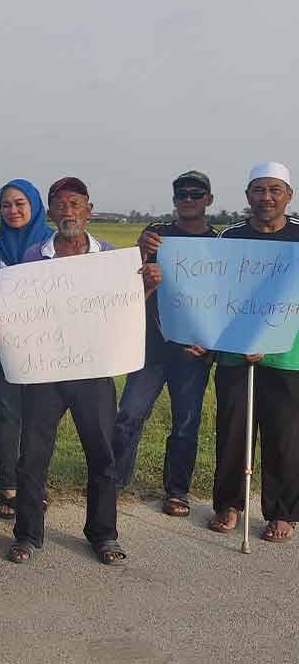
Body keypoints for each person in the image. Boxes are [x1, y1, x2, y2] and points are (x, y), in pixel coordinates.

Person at [0, 177, 161, 565]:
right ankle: (27, 534)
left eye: (76, 204)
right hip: (44, 372)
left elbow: (124, 308)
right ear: (52, 212)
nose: (68, 211)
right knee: (33, 455)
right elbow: (18, 310)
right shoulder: (34, 260)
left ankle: (103, 534)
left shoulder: (109, 258)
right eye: (61, 204)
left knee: (102, 454)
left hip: (93, 371)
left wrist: (148, 286)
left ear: (88, 209)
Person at [112, 171, 218, 517]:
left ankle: (177, 491)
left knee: (185, 423)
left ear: (209, 200)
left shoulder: (221, 244)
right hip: (152, 346)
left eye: (195, 194)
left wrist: (211, 343)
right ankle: (114, 484)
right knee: (128, 415)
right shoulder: (156, 237)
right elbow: (125, 285)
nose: (188, 200)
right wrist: (141, 255)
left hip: (193, 350)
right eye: (182, 195)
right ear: (174, 201)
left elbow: (225, 299)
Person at [208, 162, 299, 542]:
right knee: (232, 431)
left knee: (285, 435)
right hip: (236, 352)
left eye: (274, 190)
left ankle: (283, 513)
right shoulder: (230, 237)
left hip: (287, 353)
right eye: (259, 190)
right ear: (247, 196)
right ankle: (229, 503)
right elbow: (213, 293)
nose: (266, 197)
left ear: (288, 196)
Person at [0, 179, 54, 519]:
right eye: (6, 204)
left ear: (35, 205)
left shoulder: (54, 247)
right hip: (1, 349)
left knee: (39, 419)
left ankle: (35, 485)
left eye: (20, 203)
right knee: (8, 415)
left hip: (45, 350)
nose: (13, 210)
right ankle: (9, 486)